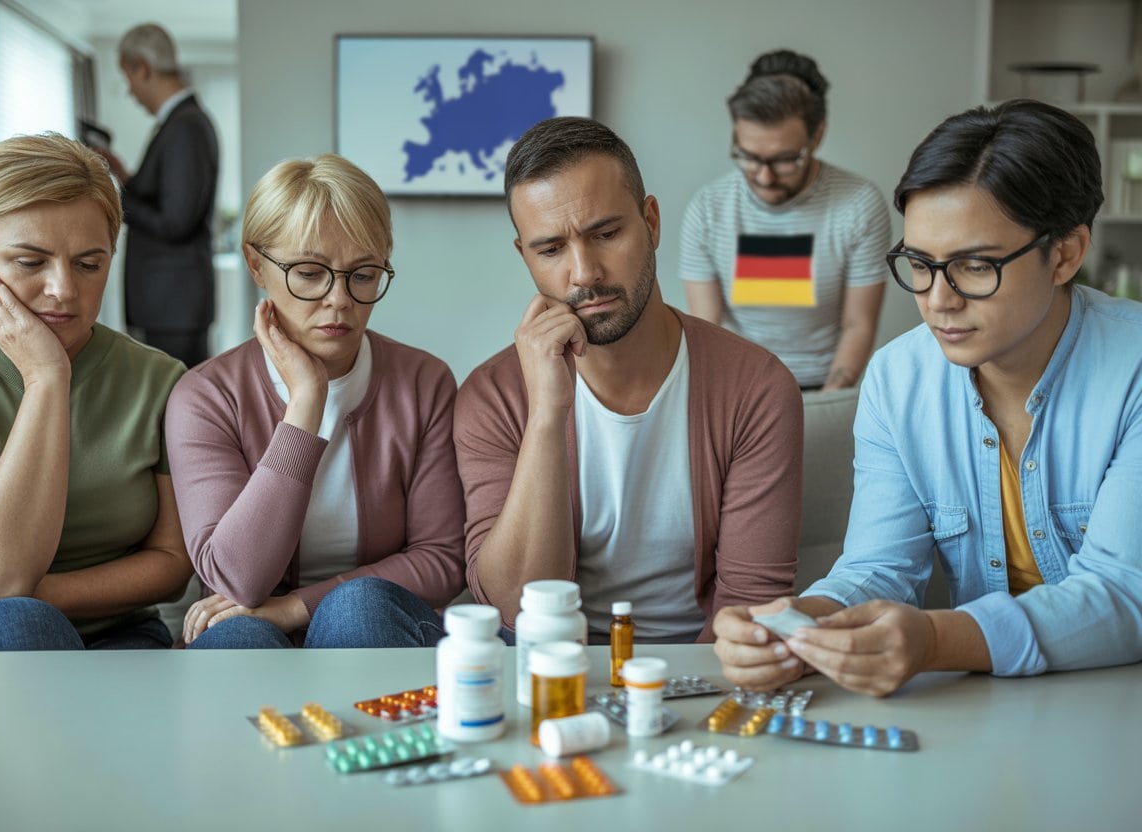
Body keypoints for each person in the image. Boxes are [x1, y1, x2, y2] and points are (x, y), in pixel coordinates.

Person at [714, 99, 1142, 696]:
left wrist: (936, 641)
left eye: (975, 266)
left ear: (1065, 253)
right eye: (920, 263)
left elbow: (1124, 593)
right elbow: (879, 568)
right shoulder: (897, 380)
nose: (938, 300)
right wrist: (801, 625)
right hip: (992, 708)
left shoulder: (1133, 369)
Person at [454, 117, 803, 644]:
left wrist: (667, 690)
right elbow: (513, 609)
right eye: (550, 250)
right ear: (525, 256)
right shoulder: (493, 396)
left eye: (606, 234)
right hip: (555, 669)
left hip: (702, 668)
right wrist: (546, 414)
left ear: (652, 223)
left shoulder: (757, 388)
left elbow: (750, 608)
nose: (584, 273)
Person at [165, 154, 466, 649]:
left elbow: (441, 558)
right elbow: (237, 581)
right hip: (244, 629)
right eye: (309, 272)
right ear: (256, 265)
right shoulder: (206, 396)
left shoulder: (423, 382)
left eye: (363, 274)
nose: (339, 299)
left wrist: (296, 608)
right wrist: (306, 403)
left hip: (376, 626)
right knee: (239, 634)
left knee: (358, 607)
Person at [0, 133, 192, 691]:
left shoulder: (162, 382)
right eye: (31, 261)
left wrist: (44, 595)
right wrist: (47, 377)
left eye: (89, 264)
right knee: (16, 626)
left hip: (117, 642)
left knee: (27, 617)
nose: (63, 290)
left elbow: (172, 564)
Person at [679, 49, 889, 391]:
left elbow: (858, 324)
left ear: (817, 137)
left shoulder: (858, 205)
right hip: (737, 387)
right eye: (749, 157)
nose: (764, 177)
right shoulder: (708, 209)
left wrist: (825, 405)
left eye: (784, 160)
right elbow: (706, 327)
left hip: (820, 386)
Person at [96, 22, 218, 368]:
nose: (131, 92)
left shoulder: (186, 126)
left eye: (128, 78)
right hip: (169, 305)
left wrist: (114, 197)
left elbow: (175, 222)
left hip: (173, 306)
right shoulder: (180, 123)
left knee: (175, 400)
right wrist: (124, 177)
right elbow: (169, 200)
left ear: (142, 68)